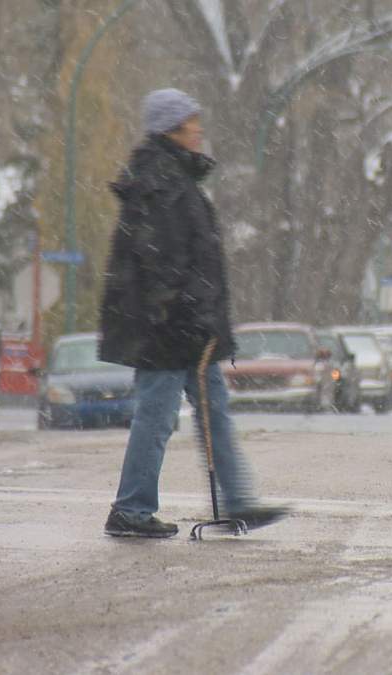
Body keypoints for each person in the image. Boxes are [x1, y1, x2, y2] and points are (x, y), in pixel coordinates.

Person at [98, 88, 289, 538]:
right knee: (159, 417)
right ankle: (131, 509)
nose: (198, 131)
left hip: (181, 328)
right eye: (191, 124)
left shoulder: (174, 179)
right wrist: (188, 315)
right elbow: (162, 262)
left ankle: (237, 501)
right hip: (169, 331)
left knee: (211, 413)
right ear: (170, 130)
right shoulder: (164, 182)